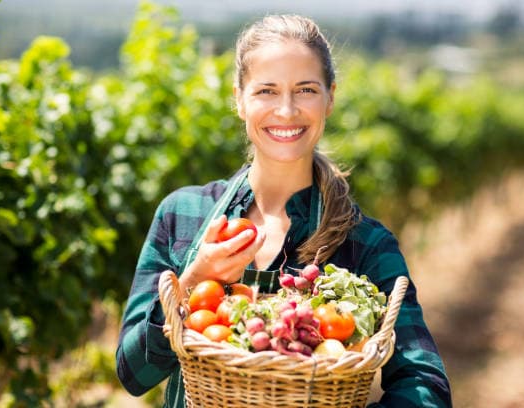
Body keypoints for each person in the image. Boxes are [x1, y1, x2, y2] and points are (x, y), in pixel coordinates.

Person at [116, 13, 452, 408]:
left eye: (306, 90)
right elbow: (132, 373)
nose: (287, 111)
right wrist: (192, 282)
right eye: (267, 91)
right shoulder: (182, 214)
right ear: (239, 100)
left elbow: (425, 382)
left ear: (330, 98)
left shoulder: (365, 243)